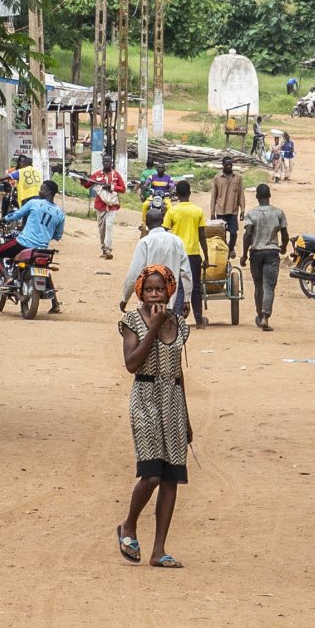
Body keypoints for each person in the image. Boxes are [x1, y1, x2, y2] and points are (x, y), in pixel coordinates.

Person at [116, 265, 193, 569]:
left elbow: (178, 370)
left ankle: (158, 550)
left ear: (169, 290)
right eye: (148, 289)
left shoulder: (180, 324)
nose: (154, 294)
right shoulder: (132, 321)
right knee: (152, 474)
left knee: (171, 477)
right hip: (145, 400)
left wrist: (186, 417)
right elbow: (132, 364)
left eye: (159, 289)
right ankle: (129, 525)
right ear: (141, 291)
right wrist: (154, 326)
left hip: (173, 401)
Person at [119, 203, 193, 320]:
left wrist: (125, 298)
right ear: (162, 221)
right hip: (170, 301)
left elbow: (134, 275)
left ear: (147, 224)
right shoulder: (177, 241)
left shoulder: (145, 242)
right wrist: (187, 300)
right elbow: (186, 273)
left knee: (149, 333)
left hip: (149, 302)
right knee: (169, 333)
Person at [241, 182, 287, 331]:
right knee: (269, 286)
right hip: (272, 252)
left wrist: (243, 255)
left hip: (256, 252)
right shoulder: (278, 213)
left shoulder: (251, 214)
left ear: (257, 197)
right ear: (269, 196)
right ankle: (265, 317)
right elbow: (285, 234)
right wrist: (284, 246)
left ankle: (259, 314)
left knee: (258, 285)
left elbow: (247, 234)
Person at [164, 180, 211, 323]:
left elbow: (165, 232)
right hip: (193, 254)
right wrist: (206, 257)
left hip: (176, 255)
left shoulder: (172, 211)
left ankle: (177, 319)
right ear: (190, 193)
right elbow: (202, 235)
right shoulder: (197, 211)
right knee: (196, 286)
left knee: (177, 286)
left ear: (176, 194)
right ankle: (198, 319)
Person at [85, 156, 125, 259]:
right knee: (101, 228)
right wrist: (83, 179)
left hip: (112, 206)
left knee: (109, 226)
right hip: (100, 206)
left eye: (108, 161)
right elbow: (87, 184)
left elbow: (123, 188)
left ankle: (108, 249)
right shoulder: (97, 174)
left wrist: (112, 187)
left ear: (111, 162)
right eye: (105, 161)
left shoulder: (116, 175)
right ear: (102, 162)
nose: (107, 163)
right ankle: (103, 248)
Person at [209, 153, 248, 231]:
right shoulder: (217, 178)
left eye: (231, 164)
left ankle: (231, 244)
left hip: (233, 211)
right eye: (227, 165)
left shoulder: (238, 177)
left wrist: (242, 210)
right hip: (220, 211)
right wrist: (212, 213)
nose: (229, 166)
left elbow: (241, 195)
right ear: (223, 165)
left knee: (233, 233)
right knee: (221, 233)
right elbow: (213, 196)